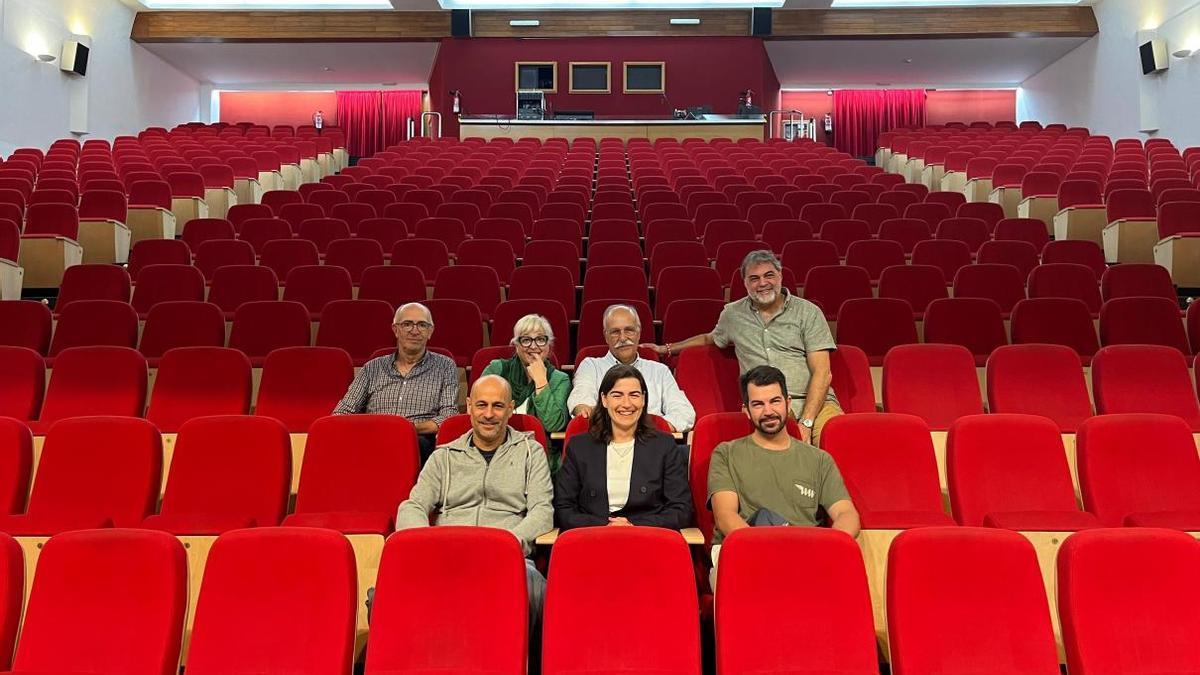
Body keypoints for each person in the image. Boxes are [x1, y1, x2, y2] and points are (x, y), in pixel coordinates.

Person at [395, 374, 553, 623]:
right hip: (447, 555)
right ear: (469, 406)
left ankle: (523, 662)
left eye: (498, 406)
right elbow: (412, 505)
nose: (489, 414)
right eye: (482, 405)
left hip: (509, 555)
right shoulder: (443, 456)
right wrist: (426, 545)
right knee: (387, 594)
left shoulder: (530, 452)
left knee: (537, 592)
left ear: (511, 409)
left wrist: (509, 544)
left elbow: (542, 511)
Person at [645, 250, 841, 446]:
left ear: (780, 275)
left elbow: (822, 373)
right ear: (745, 283)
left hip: (815, 402)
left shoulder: (808, 312)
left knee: (837, 443)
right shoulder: (733, 314)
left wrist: (806, 423)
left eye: (769, 275)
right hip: (762, 403)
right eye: (754, 278)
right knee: (773, 455)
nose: (762, 283)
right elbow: (710, 338)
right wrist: (666, 348)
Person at [707, 365, 858, 584]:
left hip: (808, 559)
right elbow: (725, 516)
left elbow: (847, 514)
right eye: (758, 404)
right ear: (746, 411)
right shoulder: (726, 453)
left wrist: (828, 548)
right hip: (746, 554)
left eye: (775, 401)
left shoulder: (819, 459)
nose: (768, 411)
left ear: (787, 403)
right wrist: (772, 555)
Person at [554, 364, 693, 531]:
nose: (626, 404)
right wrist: (605, 526)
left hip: (647, 538)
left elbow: (681, 509)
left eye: (634, 395)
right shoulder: (579, 447)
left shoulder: (664, 446)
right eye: (617, 395)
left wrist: (634, 525)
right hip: (592, 537)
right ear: (604, 400)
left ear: (643, 399)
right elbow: (564, 509)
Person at [333, 302, 457, 462]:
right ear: (395, 330)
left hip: (418, 440)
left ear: (430, 331)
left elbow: (448, 416)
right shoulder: (373, 367)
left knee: (417, 444)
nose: (414, 330)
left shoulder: (445, 366)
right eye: (407, 324)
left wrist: (409, 429)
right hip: (372, 436)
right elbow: (343, 412)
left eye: (422, 325)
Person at [568, 304, 695, 433]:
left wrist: (654, 429)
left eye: (629, 330)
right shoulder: (591, 366)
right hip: (606, 441)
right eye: (615, 332)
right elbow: (581, 403)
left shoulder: (659, 371)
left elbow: (684, 413)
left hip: (652, 442)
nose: (623, 338)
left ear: (638, 333)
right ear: (606, 336)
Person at [480, 313, 570, 435]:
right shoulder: (497, 370)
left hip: (539, 448)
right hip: (498, 442)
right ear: (516, 345)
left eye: (540, 339)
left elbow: (553, 424)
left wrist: (541, 381)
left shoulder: (560, 379)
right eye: (526, 340)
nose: (533, 346)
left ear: (549, 345)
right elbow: (481, 411)